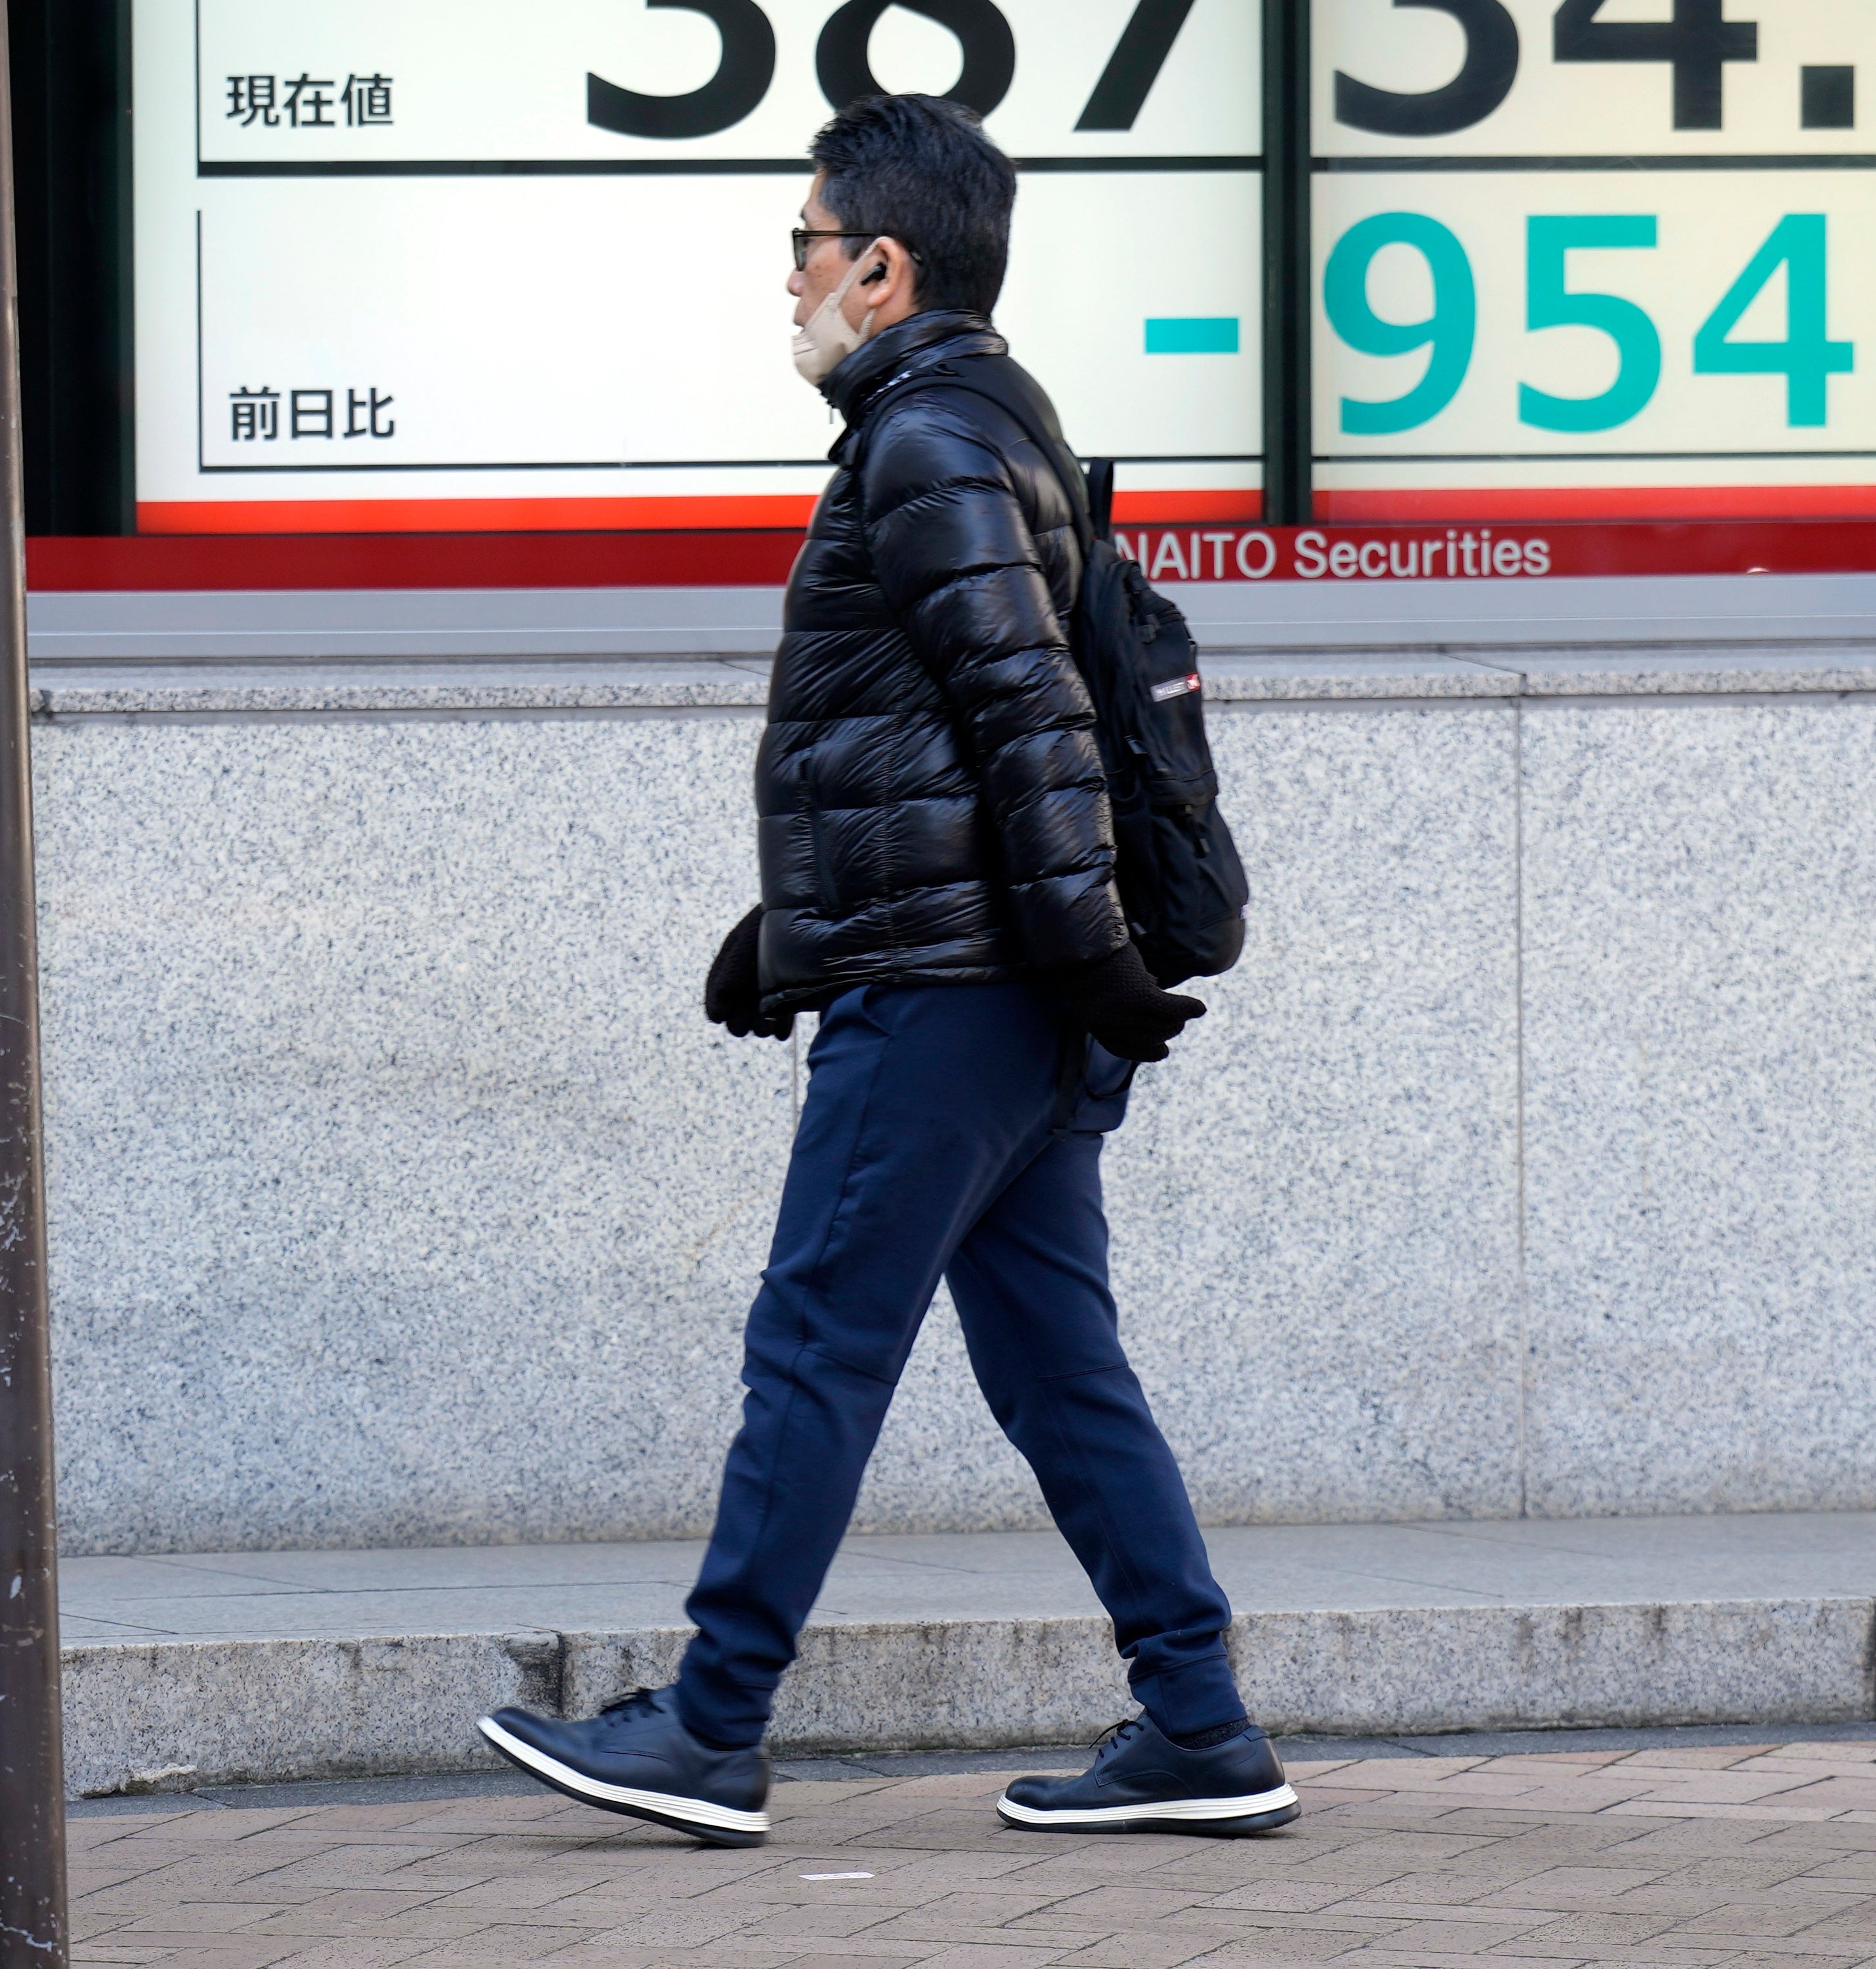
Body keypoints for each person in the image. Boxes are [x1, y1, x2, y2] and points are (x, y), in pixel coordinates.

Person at [479, 96, 1293, 1846]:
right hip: (993, 986)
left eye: (804, 245)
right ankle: (1198, 1718)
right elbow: (931, 736)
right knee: (1057, 1365)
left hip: (956, 999)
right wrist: (797, 931)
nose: (787, 280)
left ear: (882, 265)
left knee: (816, 1338)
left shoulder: (924, 443)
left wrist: (1086, 960)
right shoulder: (983, 424)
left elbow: (1028, 719)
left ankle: (712, 1724)